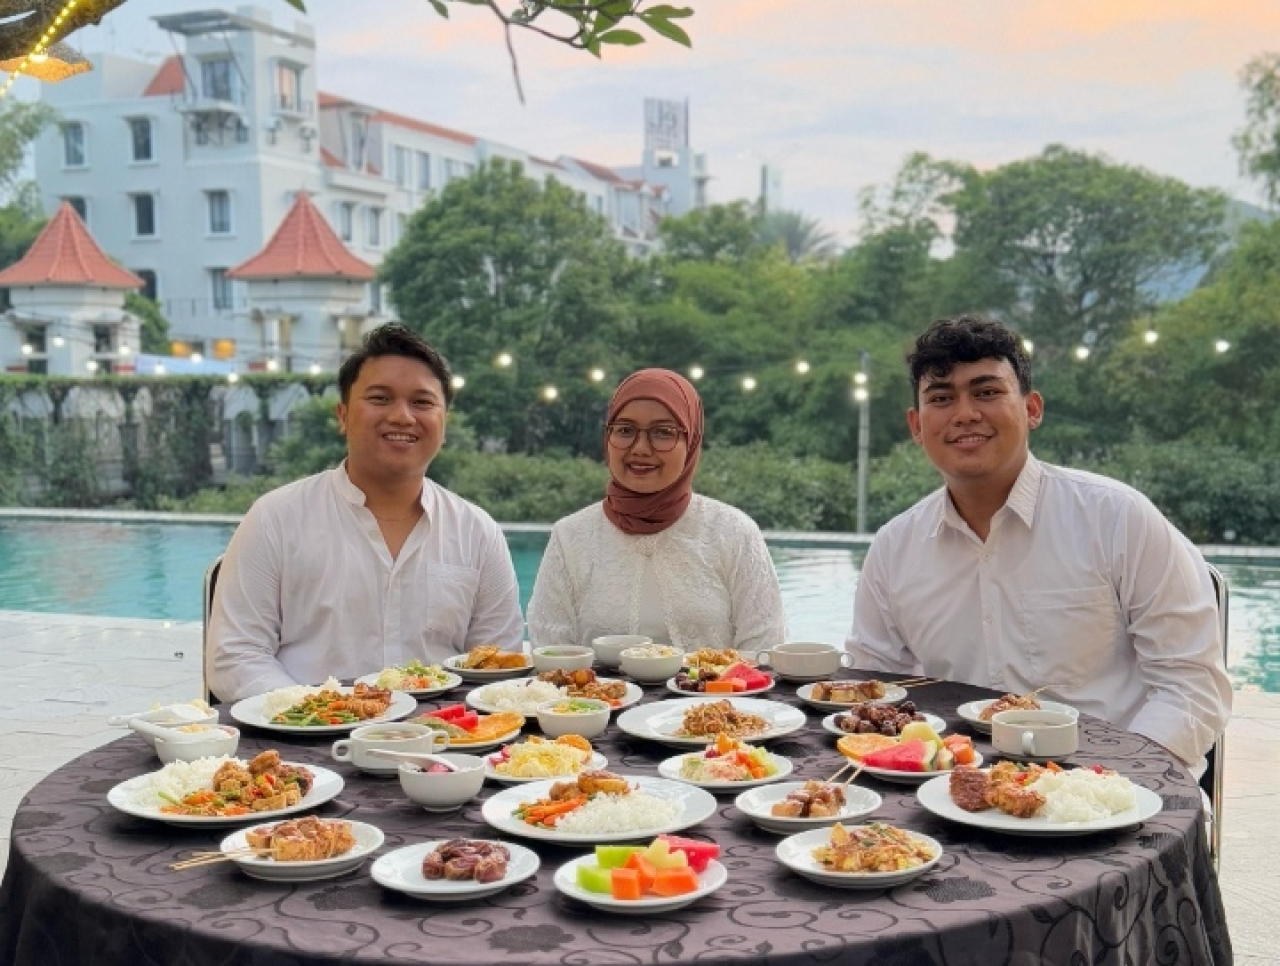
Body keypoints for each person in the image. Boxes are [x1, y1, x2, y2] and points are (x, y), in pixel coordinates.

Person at [846, 315, 1231, 772]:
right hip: (952, 789)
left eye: (986, 392)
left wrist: (1111, 781)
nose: (965, 413)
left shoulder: (1116, 518)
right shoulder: (894, 549)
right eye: (942, 398)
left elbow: (1191, 685)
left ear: (1032, 409)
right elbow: (877, 689)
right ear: (916, 425)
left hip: (1114, 788)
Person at [207, 324, 523, 702]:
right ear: (342, 415)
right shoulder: (276, 518)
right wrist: (325, 714)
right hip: (301, 740)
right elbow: (234, 657)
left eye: (422, 402)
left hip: (443, 743)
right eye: (380, 398)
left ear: (444, 422)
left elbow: (499, 668)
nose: (402, 416)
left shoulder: (477, 532)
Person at [527, 368, 787, 652]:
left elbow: (765, 653)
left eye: (663, 433)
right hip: (596, 698)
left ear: (691, 441)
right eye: (625, 430)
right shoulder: (571, 537)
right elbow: (550, 653)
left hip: (718, 697)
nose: (640, 448)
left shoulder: (733, 533)